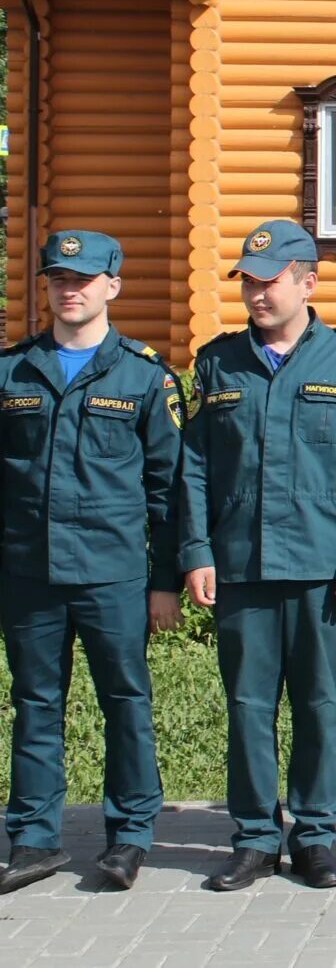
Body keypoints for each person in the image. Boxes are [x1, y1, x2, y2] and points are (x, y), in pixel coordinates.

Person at [178, 221, 336, 891]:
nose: (257, 293)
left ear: (308, 282)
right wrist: (195, 550)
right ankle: (253, 836)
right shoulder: (216, 362)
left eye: (269, 280)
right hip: (240, 563)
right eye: (248, 279)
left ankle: (315, 836)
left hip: (322, 567)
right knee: (247, 704)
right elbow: (192, 467)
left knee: (318, 704)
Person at [0, 231, 183, 896]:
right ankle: (33, 837)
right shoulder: (12, 371)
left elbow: (170, 490)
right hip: (29, 572)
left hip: (112, 573)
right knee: (34, 703)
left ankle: (129, 835)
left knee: (125, 701)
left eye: (81, 278)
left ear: (112, 285)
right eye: (57, 277)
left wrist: (166, 580)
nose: (67, 288)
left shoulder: (144, 374)